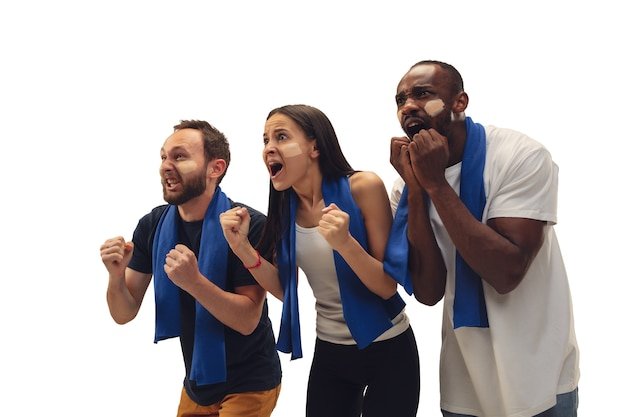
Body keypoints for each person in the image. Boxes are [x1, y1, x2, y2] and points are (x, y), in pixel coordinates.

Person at [385, 60, 580, 417]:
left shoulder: (519, 156)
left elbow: (506, 272)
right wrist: (416, 191)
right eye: (400, 100)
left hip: (540, 374)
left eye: (422, 94)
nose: (407, 106)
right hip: (465, 382)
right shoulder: (407, 184)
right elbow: (428, 292)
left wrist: (436, 184)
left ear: (460, 102)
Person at [219, 104, 420, 417]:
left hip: (388, 349)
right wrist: (242, 247)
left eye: (281, 136)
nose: (269, 147)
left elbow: (385, 286)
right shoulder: (286, 208)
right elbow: (287, 291)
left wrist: (345, 244)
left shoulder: (363, 187)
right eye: (265, 140)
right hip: (331, 352)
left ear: (314, 146)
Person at [100, 120, 281, 417]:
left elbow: (248, 319)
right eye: (163, 157)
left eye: (180, 157)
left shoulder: (247, 226)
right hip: (198, 383)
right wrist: (116, 276)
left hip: (251, 383)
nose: (166, 166)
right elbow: (124, 313)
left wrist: (194, 281)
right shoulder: (153, 226)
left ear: (215, 168)